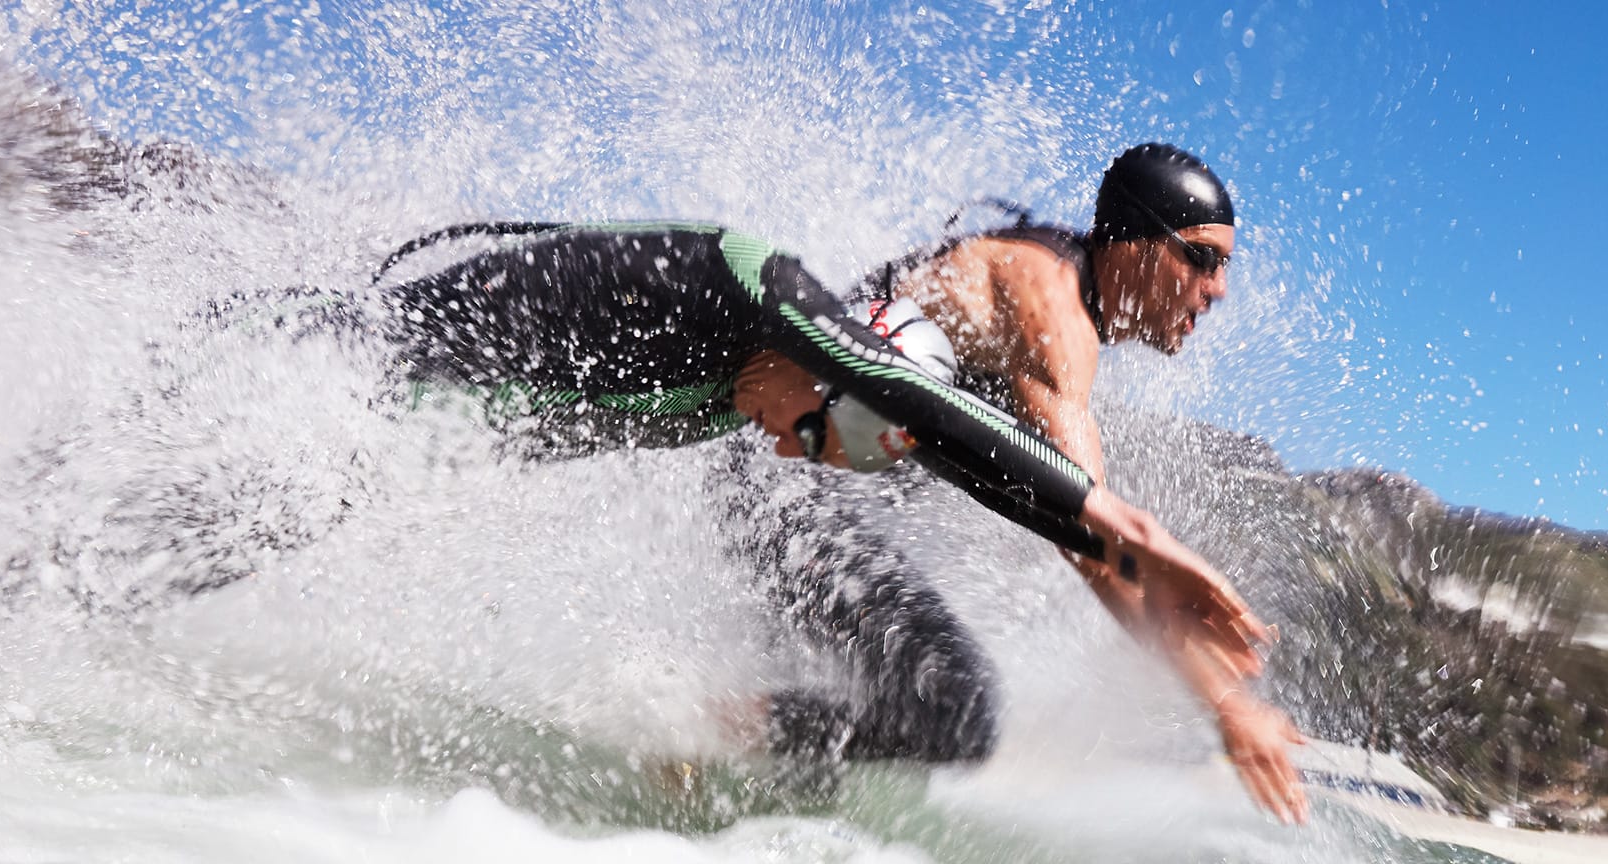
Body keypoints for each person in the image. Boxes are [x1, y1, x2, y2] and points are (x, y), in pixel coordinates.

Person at [365, 143, 1308, 823]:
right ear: (1134, 243)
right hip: (781, 478)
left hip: (791, 480)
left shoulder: (1062, 298)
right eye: (1202, 260)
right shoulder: (1051, 310)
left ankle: (711, 762)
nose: (1215, 293)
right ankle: (685, 734)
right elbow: (1096, 545)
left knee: (933, 713)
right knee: (952, 707)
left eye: (1223, 269)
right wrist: (1230, 708)